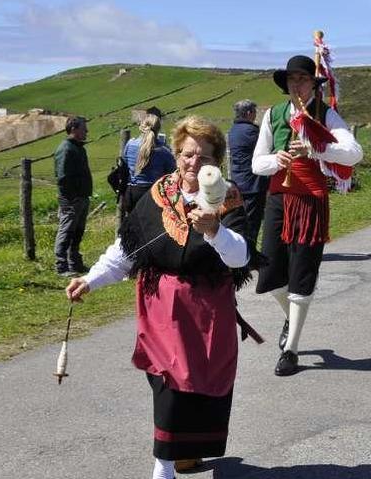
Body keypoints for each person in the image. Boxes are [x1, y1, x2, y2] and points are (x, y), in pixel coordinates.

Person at [64, 116, 253, 479]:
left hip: (205, 311)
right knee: (168, 384)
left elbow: (242, 256)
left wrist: (214, 230)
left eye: (204, 157)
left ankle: (184, 453)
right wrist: (91, 279)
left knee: (198, 384)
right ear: (177, 155)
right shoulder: (159, 193)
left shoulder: (227, 196)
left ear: (218, 161)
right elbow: (127, 249)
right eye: (186, 154)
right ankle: (162, 467)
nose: (193, 163)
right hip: (161, 307)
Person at [252, 54, 363, 376]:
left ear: (313, 83)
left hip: (311, 201)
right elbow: (256, 164)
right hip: (278, 198)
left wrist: (316, 150)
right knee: (271, 277)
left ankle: (292, 350)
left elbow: (354, 153)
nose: (296, 85)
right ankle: (292, 316)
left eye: (302, 79)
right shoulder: (273, 114)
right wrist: (278, 159)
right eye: (291, 80)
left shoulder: (326, 115)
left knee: (302, 273)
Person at [54, 116, 92, 276]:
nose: (87, 131)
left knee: (77, 231)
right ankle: (61, 266)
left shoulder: (77, 148)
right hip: (71, 199)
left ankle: (75, 263)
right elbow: (62, 177)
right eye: (84, 128)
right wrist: (71, 197)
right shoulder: (66, 149)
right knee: (67, 230)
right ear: (74, 129)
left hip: (81, 197)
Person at [122, 107, 177, 215]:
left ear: (141, 127)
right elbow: (173, 172)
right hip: (153, 194)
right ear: (158, 129)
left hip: (132, 192)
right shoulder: (163, 151)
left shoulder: (130, 144)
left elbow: (125, 165)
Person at [227, 99, 266, 249]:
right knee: (252, 221)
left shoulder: (233, 130)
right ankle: (249, 253)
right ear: (249, 113)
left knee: (241, 219)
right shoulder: (252, 131)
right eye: (255, 112)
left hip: (239, 180)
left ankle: (243, 250)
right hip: (252, 183)